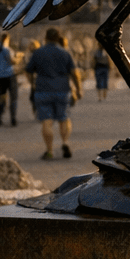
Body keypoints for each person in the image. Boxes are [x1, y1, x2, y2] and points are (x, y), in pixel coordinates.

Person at [25, 27, 82, 160]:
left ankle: (49, 150)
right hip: (62, 90)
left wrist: (32, 83)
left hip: (43, 90)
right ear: (58, 38)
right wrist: (78, 89)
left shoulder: (38, 53)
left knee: (46, 121)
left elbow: (28, 71)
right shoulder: (65, 53)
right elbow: (74, 73)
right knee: (64, 118)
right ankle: (65, 143)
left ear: (46, 38)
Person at [0, 33, 18, 126]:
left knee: (1, 96)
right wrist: (18, 59)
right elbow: (11, 61)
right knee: (13, 97)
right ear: (6, 40)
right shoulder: (6, 49)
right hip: (9, 75)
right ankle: (13, 118)